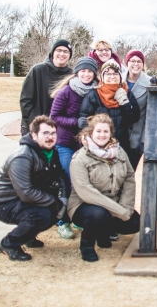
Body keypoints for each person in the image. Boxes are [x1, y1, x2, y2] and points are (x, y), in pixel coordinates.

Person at [0, 116, 67, 261]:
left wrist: (63, 198)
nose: (50, 137)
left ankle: (28, 236)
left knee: (56, 210)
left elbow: (59, 175)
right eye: (45, 133)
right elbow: (26, 193)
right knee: (43, 215)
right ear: (34, 135)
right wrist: (56, 203)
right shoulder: (22, 157)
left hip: (25, 199)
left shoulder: (51, 151)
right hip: (5, 203)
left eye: (53, 133)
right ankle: (9, 244)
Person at [68, 114, 140, 262]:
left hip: (112, 203)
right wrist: (119, 211)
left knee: (135, 223)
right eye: (98, 131)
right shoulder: (80, 158)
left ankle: (103, 233)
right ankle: (87, 246)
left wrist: (126, 207)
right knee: (99, 215)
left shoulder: (119, 152)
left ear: (111, 133)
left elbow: (129, 178)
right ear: (90, 133)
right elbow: (85, 191)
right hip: (84, 206)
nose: (102, 135)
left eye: (105, 132)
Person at [49, 56, 99, 240]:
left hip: (86, 145)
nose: (86, 74)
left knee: (84, 183)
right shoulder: (66, 92)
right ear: (77, 72)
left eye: (89, 71)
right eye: (83, 71)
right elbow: (54, 116)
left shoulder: (96, 91)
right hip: (66, 144)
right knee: (68, 181)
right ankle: (62, 222)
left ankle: (77, 216)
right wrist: (75, 122)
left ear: (94, 73)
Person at [79, 60, 140, 152]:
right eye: (107, 74)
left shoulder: (126, 92)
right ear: (102, 77)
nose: (112, 77)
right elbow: (83, 120)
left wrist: (125, 103)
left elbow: (134, 118)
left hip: (121, 145)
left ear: (120, 76)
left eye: (115, 73)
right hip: (99, 145)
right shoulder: (94, 95)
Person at [19, 40, 73, 135]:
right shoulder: (37, 70)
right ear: (52, 52)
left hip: (59, 131)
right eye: (59, 50)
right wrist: (35, 124)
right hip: (34, 128)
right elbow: (26, 100)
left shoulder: (72, 75)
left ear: (69, 55)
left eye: (66, 51)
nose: (62, 54)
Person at [123, 50, 152, 170]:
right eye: (132, 61)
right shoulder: (117, 80)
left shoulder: (150, 83)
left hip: (136, 137)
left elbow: (150, 115)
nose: (136, 64)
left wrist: (144, 140)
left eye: (139, 61)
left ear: (143, 64)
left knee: (129, 173)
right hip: (119, 135)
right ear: (127, 63)